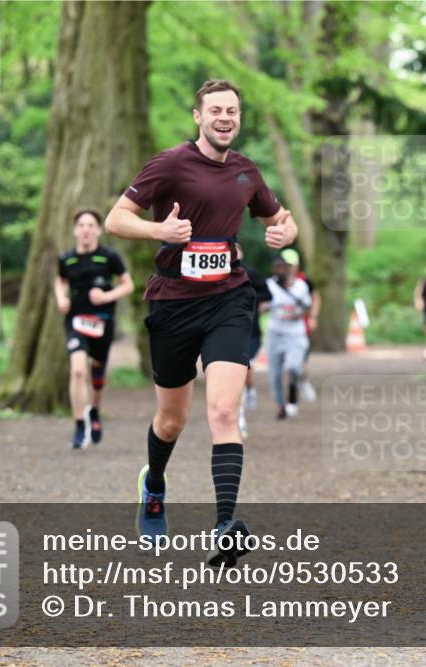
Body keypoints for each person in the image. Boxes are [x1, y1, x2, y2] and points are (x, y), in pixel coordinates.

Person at [105, 79, 298, 566]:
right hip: (173, 303)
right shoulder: (169, 164)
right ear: (199, 116)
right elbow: (115, 219)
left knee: (223, 412)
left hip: (229, 299)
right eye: (215, 110)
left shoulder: (246, 172)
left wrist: (283, 233)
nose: (224, 118)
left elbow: (281, 219)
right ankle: (153, 486)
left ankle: (224, 526)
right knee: (172, 420)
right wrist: (159, 230)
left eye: (232, 110)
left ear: (239, 117)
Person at [54, 208, 134, 449]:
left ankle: (94, 411)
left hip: (102, 322)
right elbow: (60, 280)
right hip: (76, 320)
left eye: (91, 225)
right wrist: (61, 298)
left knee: (97, 374)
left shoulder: (109, 257)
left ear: (98, 230)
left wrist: (107, 296)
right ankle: (79, 426)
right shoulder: (66, 259)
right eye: (82, 225)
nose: (86, 229)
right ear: (75, 230)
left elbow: (128, 285)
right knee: (78, 371)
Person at [265, 255, 312, 419]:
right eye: (276, 267)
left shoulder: (300, 286)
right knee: (275, 375)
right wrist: (262, 307)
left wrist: (298, 313)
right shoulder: (269, 285)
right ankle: (281, 405)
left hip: (295, 334)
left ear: (288, 268)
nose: (279, 270)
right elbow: (262, 304)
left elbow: (307, 307)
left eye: (282, 267)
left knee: (293, 367)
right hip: (275, 334)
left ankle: (293, 399)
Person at [237, 243, 271, 440]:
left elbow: (268, 293)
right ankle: (239, 417)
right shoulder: (216, 271)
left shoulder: (251, 272)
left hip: (251, 330)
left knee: (246, 367)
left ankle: (250, 390)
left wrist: (254, 301)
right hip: (226, 331)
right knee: (237, 372)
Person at [279, 247, 319, 403]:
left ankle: (303, 382)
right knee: (287, 363)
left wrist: (313, 317)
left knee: (300, 361)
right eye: (286, 265)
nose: (289, 268)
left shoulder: (304, 281)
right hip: (281, 329)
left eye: (291, 264)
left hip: (300, 328)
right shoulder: (276, 281)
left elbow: (315, 297)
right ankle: (291, 395)